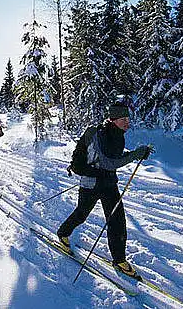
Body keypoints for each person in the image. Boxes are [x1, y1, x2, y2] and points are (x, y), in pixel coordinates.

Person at [57, 102, 151, 276]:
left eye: (128, 119)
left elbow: (115, 157)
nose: (127, 122)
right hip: (91, 182)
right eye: (123, 119)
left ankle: (120, 259)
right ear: (113, 119)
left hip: (108, 183)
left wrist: (138, 154)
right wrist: (135, 154)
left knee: (117, 220)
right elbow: (110, 162)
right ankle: (63, 233)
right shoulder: (100, 135)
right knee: (82, 214)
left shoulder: (118, 135)